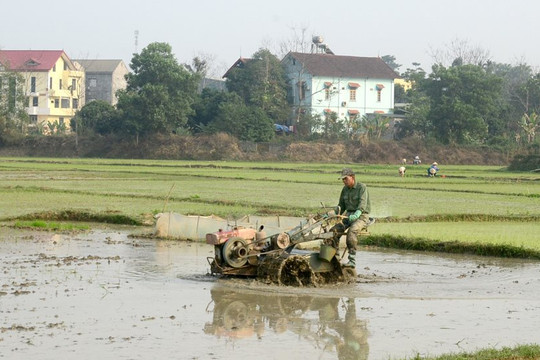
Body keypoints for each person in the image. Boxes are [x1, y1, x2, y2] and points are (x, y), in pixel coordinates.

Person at [331, 168, 371, 268]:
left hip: (361, 216)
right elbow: (341, 206)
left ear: (352, 177)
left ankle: (352, 260)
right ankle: (335, 258)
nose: (344, 181)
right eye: (343, 179)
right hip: (348, 215)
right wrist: (330, 214)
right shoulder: (344, 189)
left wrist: (357, 214)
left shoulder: (361, 187)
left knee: (352, 231)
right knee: (333, 232)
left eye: (345, 179)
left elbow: (362, 203)